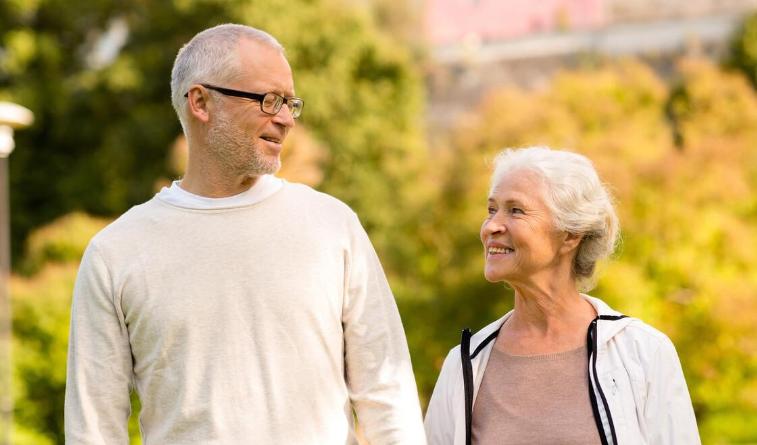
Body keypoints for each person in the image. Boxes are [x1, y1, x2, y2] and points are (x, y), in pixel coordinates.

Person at [65, 24, 426, 444]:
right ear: (200, 102)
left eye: (291, 103)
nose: (287, 119)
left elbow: (388, 392)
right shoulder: (117, 252)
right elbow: (93, 428)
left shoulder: (331, 225)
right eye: (269, 100)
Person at [424, 147, 700, 445]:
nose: (491, 226)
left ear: (570, 234)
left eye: (515, 210)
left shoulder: (642, 352)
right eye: (492, 210)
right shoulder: (464, 365)